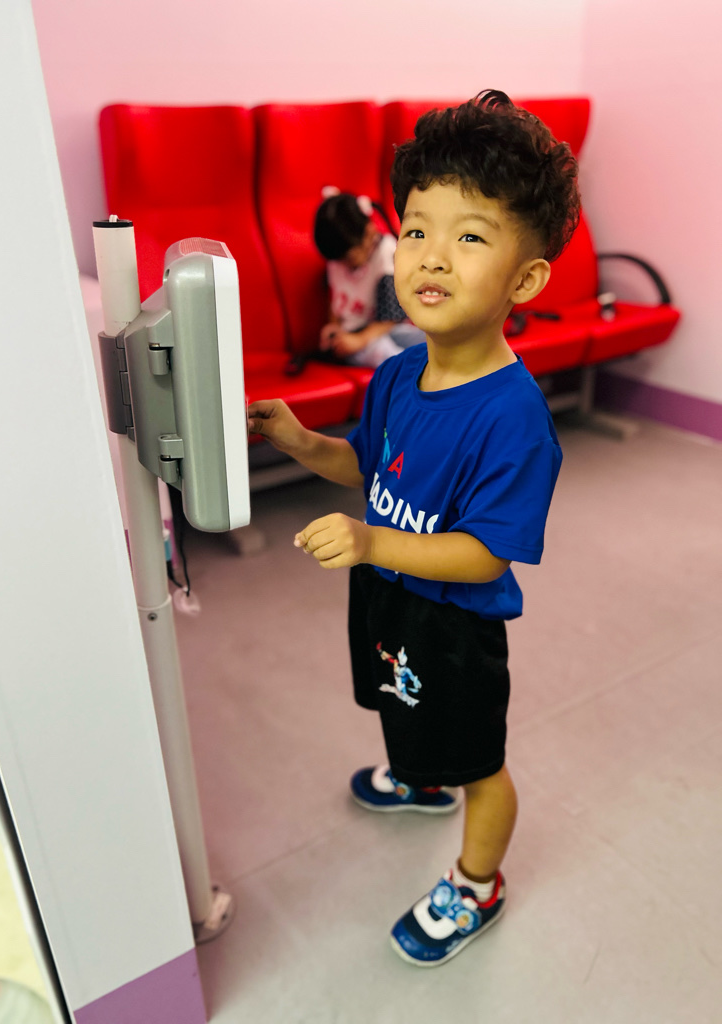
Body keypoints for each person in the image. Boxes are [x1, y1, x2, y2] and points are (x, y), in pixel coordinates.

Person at [248, 89, 579, 967]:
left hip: (454, 628)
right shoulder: (397, 375)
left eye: (469, 237)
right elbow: (369, 466)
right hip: (390, 600)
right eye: (419, 228)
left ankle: (477, 882)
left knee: (481, 764)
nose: (431, 254)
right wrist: (300, 440)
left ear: (525, 279)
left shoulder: (513, 419)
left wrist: (368, 543)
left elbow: (484, 555)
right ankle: (418, 774)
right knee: (399, 700)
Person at [313, 188, 425, 368]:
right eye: (338, 261)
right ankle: (413, 372)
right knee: (382, 350)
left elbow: (390, 319)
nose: (343, 265)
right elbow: (335, 299)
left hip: (381, 329)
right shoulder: (336, 259)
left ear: (369, 232)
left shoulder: (386, 255)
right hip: (356, 341)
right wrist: (334, 327)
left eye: (349, 258)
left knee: (424, 338)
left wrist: (359, 339)